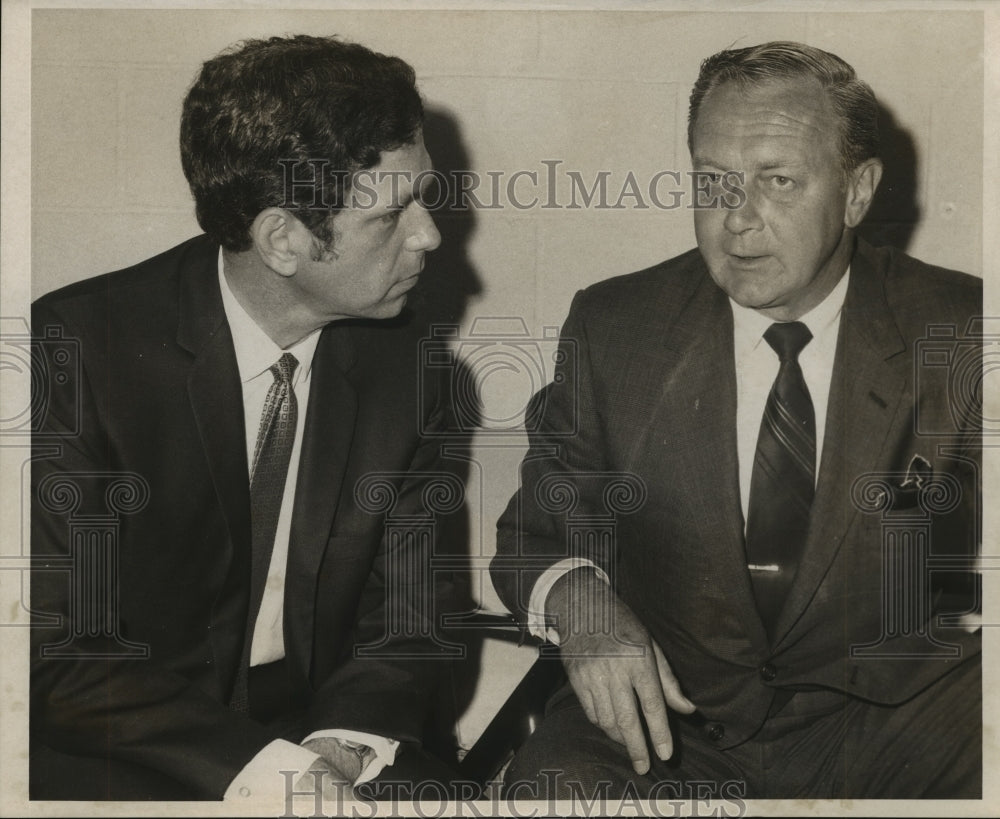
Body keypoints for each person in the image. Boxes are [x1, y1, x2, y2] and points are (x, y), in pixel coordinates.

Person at [492, 41, 982, 800]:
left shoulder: (962, 326)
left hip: (897, 720)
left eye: (777, 181)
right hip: (671, 722)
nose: (737, 217)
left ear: (857, 192)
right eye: (712, 180)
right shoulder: (617, 326)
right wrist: (582, 605)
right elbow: (534, 535)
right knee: (554, 789)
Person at [30, 34, 462, 804]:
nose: (429, 234)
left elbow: (409, 619)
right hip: (127, 748)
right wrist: (266, 773)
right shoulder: (75, 354)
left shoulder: (414, 373)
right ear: (281, 240)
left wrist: (337, 746)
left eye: (423, 197)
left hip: (325, 730)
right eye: (393, 214)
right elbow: (59, 651)